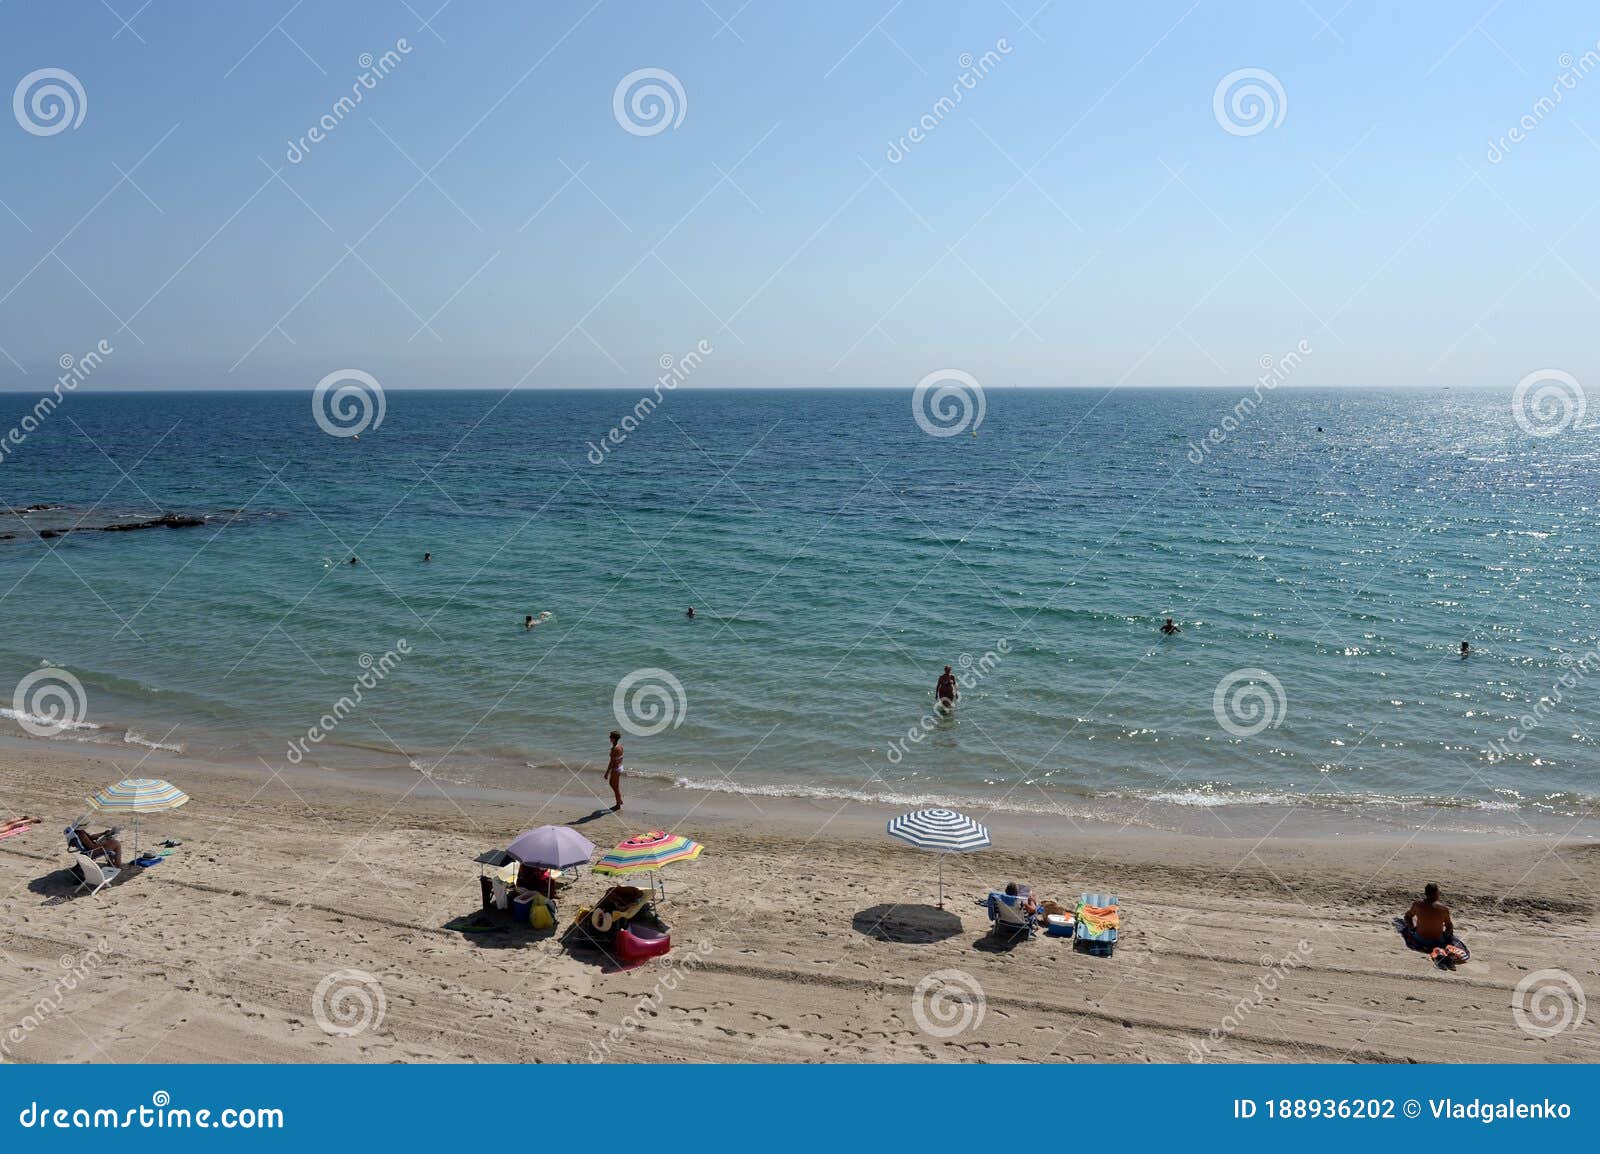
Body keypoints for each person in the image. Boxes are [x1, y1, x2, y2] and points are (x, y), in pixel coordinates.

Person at [1403, 883, 1454, 949]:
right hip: (1438, 941)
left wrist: (1412, 928)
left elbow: (1407, 916)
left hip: (1420, 939)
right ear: (1436, 893)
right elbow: (1449, 926)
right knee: (1449, 928)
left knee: (1414, 920)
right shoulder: (1443, 909)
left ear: (1426, 893)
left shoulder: (1417, 904)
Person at [605, 730, 625, 812]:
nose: (609, 738)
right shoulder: (620, 746)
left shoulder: (614, 748)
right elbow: (621, 757)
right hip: (620, 767)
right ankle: (619, 800)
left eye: (610, 737)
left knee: (614, 786)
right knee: (615, 786)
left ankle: (618, 804)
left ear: (613, 738)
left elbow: (611, 762)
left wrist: (607, 773)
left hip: (615, 769)